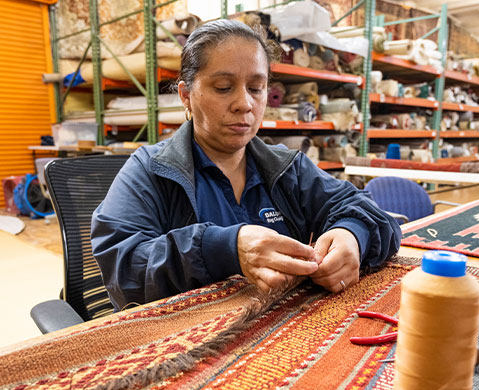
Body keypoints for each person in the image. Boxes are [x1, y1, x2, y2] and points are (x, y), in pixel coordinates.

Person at [91, 19, 401, 311]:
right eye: (223, 88)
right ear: (186, 95)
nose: (244, 103)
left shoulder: (285, 168)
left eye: (256, 88)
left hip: (279, 337)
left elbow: (369, 212)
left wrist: (352, 235)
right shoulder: (151, 170)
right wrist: (224, 248)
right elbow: (124, 269)